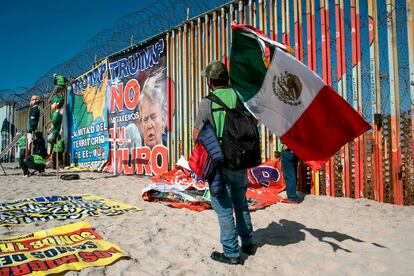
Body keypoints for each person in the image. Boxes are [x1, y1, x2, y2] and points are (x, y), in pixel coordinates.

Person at [193, 61, 254, 265]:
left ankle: (231, 253)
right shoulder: (241, 97)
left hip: (220, 162)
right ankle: (248, 243)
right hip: (241, 159)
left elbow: (197, 133)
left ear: (210, 81)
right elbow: (253, 123)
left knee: (223, 207)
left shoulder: (207, 102)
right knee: (241, 202)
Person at [138, 70, 167, 148]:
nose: (149, 125)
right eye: (145, 119)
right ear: (141, 124)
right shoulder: (134, 155)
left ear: (163, 119)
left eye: (153, 117)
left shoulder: (173, 151)